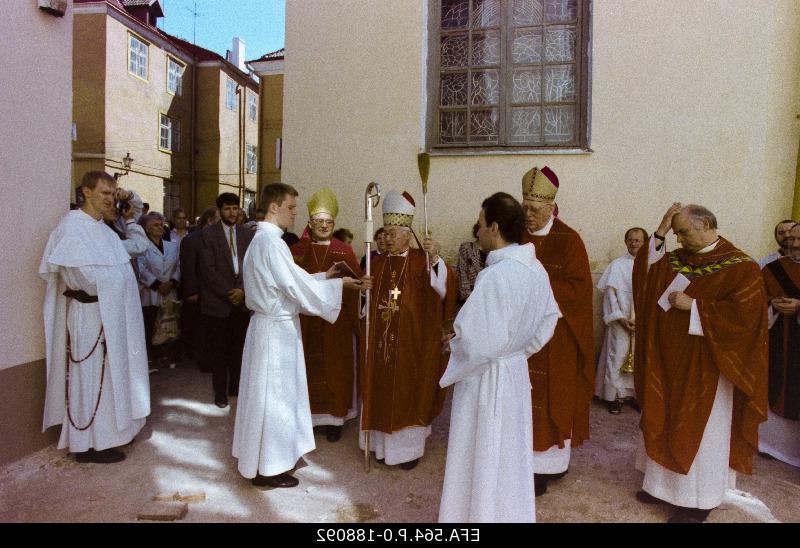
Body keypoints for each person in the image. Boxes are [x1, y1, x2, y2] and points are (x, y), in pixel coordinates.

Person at [632, 203, 768, 523]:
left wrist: (694, 306)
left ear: (705, 224)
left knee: (702, 431)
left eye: (684, 232)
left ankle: (698, 500)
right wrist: (661, 231)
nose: (679, 240)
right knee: (664, 416)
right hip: (669, 360)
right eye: (676, 233)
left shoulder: (741, 267)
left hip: (709, 366)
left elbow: (746, 319)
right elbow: (645, 275)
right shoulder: (677, 259)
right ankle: (660, 487)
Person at [232, 183, 368, 488]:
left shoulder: (265, 240)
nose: (295, 214)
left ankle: (266, 462)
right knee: (275, 398)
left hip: (271, 326)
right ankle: (270, 468)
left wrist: (325, 277)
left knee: (270, 397)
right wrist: (339, 285)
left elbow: (291, 280)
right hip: (275, 331)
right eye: (292, 208)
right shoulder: (271, 244)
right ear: (275, 207)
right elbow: (294, 288)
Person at [438, 193, 559, 523]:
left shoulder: (494, 276)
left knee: (483, 452)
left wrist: (455, 346)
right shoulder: (535, 270)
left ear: (494, 227)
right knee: (509, 454)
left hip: (487, 379)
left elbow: (476, 345)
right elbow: (549, 319)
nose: (477, 232)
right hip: (514, 372)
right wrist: (517, 351)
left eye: (480, 225)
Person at [39, 171, 150, 463]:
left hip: (110, 312)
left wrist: (119, 280)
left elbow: (121, 267)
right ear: (86, 192)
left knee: (111, 375)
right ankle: (85, 444)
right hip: (89, 315)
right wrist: (119, 281)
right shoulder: (72, 228)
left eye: (114, 194)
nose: (111, 200)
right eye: (105, 193)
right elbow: (83, 277)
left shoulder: (103, 229)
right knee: (89, 376)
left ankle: (108, 436)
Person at [360, 190, 457, 470]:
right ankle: (380, 448)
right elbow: (364, 309)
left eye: (393, 232)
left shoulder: (420, 260)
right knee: (380, 390)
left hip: (412, 346)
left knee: (409, 393)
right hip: (381, 345)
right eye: (385, 232)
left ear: (407, 232)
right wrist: (364, 294)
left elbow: (442, 289)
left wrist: (435, 258)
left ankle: (407, 452)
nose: (387, 238)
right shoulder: (376, 263)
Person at [518, 166, 594, 496]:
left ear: (552, 207)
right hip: (520, 336)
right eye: (525, 208)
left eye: (535, 210)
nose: (529, 215)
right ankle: (520, 461)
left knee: (553, 399)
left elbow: (580, 291)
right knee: (521, 397)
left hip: (557, 338)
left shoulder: (570, 240)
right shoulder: (516, 235)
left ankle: (549, 466)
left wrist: (540, 288)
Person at [290, 189, 363, 442]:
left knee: (337, 369)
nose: (323, 225)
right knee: (307, 369)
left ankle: (335, 419)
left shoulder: (344, 251)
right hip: (307, 322)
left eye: (328, 222)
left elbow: (355, 288)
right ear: (309, 223)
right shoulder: (297, 251)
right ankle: (308, 419)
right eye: (318, 221)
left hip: (337, 324)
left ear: (334, 223)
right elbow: (292, 285)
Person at [199, 193, 253, 408]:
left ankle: (236, 388)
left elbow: (251, 265)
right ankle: (220, 393)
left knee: (238, 349)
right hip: (218, 304)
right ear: (219, 210)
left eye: (235, 208)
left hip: (241, 303)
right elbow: (207, 270)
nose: (232, 212)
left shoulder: (246, 234)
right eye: (228, 208)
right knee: (219, 352)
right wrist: (229, 292)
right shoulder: (208, 234)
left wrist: (242, 291)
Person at [760, 222, 800, 467]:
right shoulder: (771, 269)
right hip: (777, 338)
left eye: (798, 238)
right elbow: (758, 302)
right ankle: (771, 446)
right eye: (789, 238)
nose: (793, 243)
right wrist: (771, 304)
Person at [595, 227, 647, 414]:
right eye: (631, 239)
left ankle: (633, 395)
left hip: (641, 323)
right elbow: (610, 295)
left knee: (639, 358)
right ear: (626, 242)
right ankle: (614, 397)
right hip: (620, 321)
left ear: (645, 243)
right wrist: (619, 318)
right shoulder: (617, 265)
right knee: (616, 357)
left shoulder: (651, 266)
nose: (634, 243)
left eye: (638, 240)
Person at [137, 212, 181, 369]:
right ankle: (152, 358)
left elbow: (178, 266)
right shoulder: (142, 246)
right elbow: (140, 268)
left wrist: (171, 282)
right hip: (150, 293)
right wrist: (157, 285)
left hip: (169, 291)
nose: (160, 227)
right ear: (147, 228)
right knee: (151, 325)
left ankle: (166, 356)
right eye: (155, 224)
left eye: (161, 224)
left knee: (169, 324)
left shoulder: (172, 246)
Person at [179, 206, 219, 369]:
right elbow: (188, 268)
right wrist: (192, 291)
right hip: (198, 293)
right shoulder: (191, 239)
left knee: (209, 328)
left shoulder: (215, 238)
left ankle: (208, 357)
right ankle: (201, 360)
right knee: (199, 328)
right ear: (210, 221)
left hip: (212, 292)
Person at [455, 223, 486, 304]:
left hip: (487, 298)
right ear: (477, 232)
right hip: (470, 297)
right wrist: (468, 298)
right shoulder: (467, 248)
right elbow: (462, 273)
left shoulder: (494, 252)